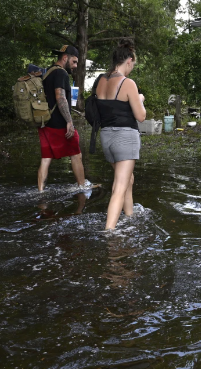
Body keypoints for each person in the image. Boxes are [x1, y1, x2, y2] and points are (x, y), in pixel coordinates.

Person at [95, 39, 146, 230]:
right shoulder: (128, 83)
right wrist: (140, 99)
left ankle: (129, 216)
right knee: (119, 187)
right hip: (124, 138)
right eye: (133, 64)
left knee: (127, 179)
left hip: (106, 137)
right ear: (129, 60)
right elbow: (141, 116)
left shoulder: (100, 81)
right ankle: (110, 232)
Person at [37, 45, 89, 192]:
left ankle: (40, 191)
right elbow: (61, 98)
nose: (75, 66)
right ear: (65, 58)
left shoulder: (48, 73)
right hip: (58, 124)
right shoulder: (61, 74)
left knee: (46, 159)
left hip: (44, 122)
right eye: (74, 61)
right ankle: (82, 187)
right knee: (76, 155)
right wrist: (69, 122)